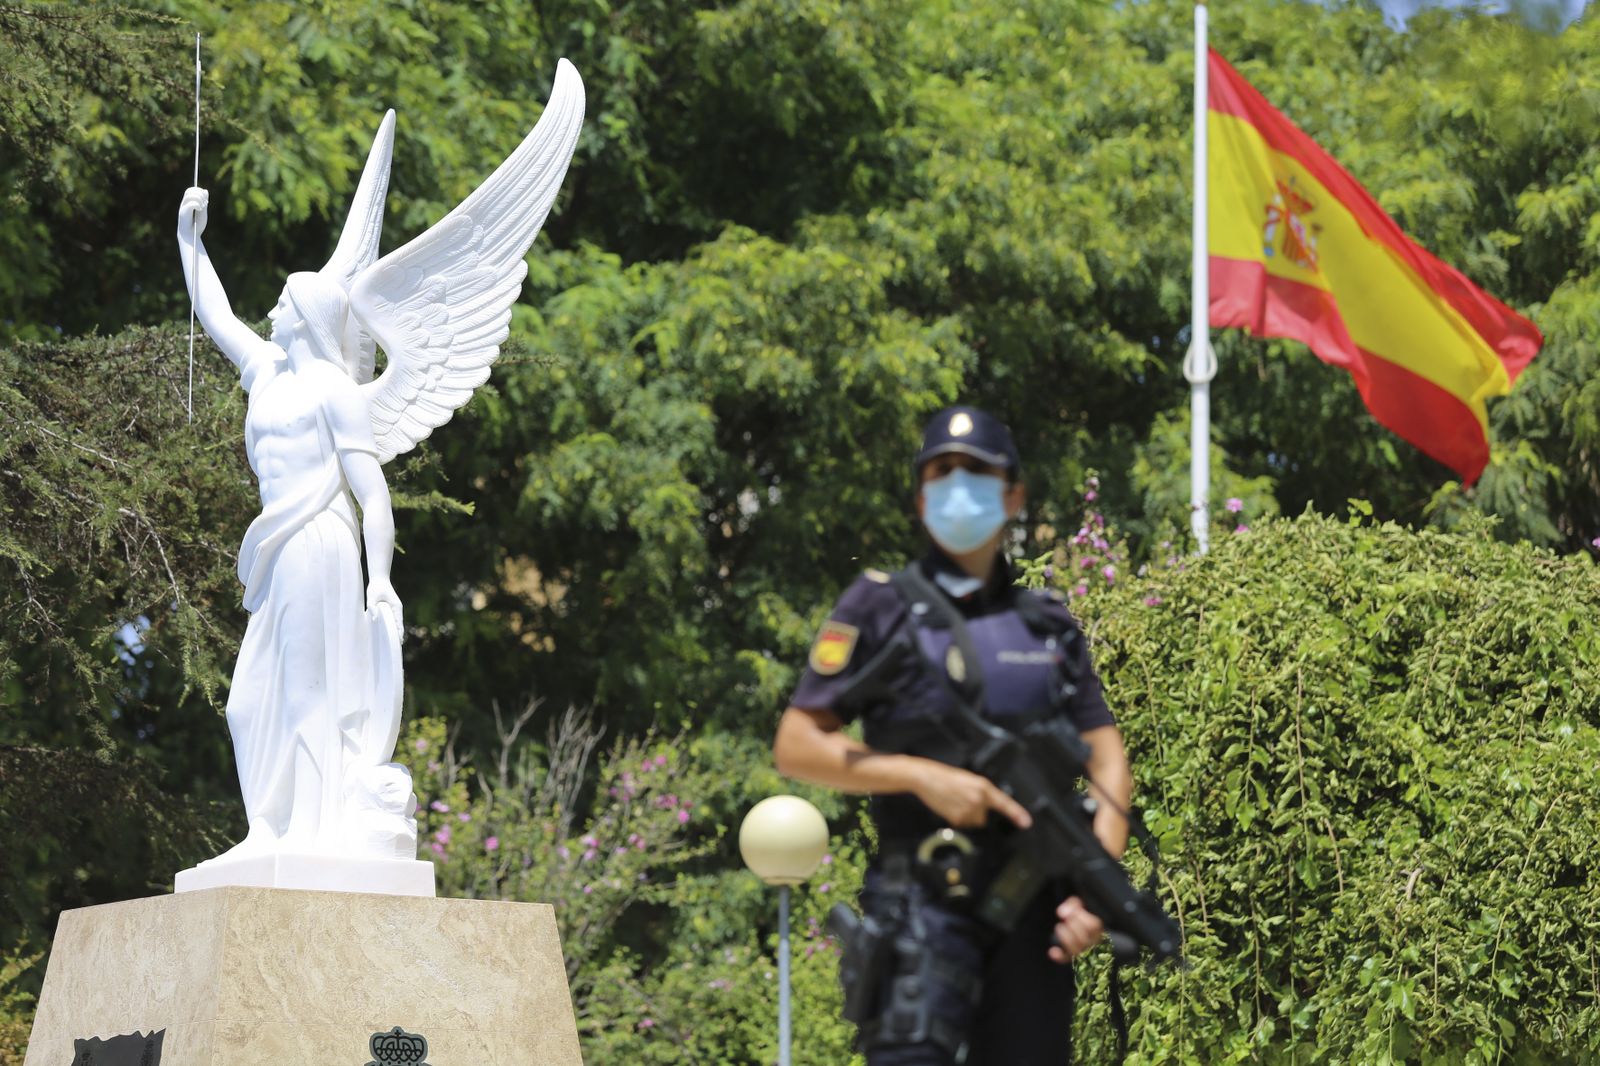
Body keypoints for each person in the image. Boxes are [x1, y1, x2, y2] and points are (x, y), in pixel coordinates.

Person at [773, 404, 1133, 1065]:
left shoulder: (1049, 624)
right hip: (920, 911)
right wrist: (919, 776)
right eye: (942, 472)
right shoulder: (879, 605)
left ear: (1013, 495)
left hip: (1032, 920)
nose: (959, 486)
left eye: (978, 471)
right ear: (920, 496)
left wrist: (1093, 891)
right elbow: (798, 743)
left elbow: (1108, 763)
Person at [177, 187, 404, 857]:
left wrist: (381, 580)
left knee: (307, 688)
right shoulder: (267, 371)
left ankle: (304, 833)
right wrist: (190, 239)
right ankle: (266, 830)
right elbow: (215, 313)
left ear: (305, 318)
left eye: (282, 303)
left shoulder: (335, 391)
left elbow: (374, 495)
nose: (271, 311)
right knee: (247, 701)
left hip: (319, 539)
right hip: (279, 548)